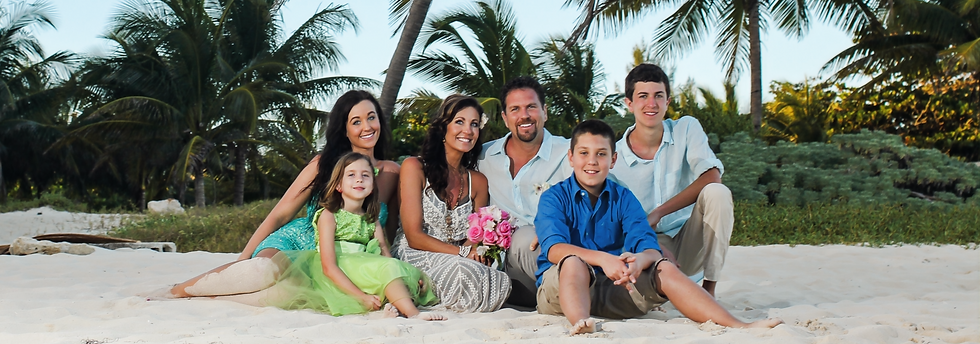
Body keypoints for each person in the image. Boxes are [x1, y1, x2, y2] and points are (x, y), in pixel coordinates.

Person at [534, 119, 782, 334]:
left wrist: (639, 261)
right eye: (584, 153)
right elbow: (554, 249)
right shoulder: (554, 197)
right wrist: (603, 260)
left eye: (601, 154)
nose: (592, 161)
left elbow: (649, 245)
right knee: (574, 261)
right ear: (571, 157)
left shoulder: (624, 198)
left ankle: (737, 324)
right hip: (563, 292)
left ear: (613, 159)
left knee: (662, 265)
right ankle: (581, 324)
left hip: (617, 290)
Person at [168, 90, 399, 298]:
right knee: (259, 271)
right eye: (356, 122)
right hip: (295, 242)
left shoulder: (391, 172)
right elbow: (280, 214)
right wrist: (242, 259)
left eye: (371, 117)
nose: (367, 127)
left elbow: (391, 231)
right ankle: (177, 291)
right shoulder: (324, 164)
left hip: (344, 257)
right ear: (345, 130)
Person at [251, 152, 443, 319]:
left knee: (401, 273)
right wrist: (361, 297)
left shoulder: (372, 218)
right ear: (339, 186)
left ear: (372, 186)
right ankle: (414, 314)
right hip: (339, 268)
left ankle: (394, 306)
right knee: (387, 271)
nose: (359, 179)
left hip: (364, 267)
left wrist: (406, 274)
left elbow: (385, 252)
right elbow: (328, 266)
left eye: (365, 175)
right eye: (351, 175)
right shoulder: (329, 216)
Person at [609, 63, 732, 297]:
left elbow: (713, 176)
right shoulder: (614, 160)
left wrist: (659, 213)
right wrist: (656, 246)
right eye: (643, 96)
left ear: (668, 101)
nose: (651, 104)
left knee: (718, 193)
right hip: (645, 248)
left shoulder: (686, 128)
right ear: (629, 103)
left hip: (689, 240)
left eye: (658, 96)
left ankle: (709, 290)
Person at [392, 94, 511, 312]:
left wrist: (472, 250)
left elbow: (474, 239)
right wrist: (463, 254)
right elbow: (413, 236)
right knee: (461, 269)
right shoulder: (414, 168)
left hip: (459, 259)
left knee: (499, 280)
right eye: (459, 122)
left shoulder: (478, 182)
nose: (468, 130)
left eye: (474, 124)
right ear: (443, 128)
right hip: (415, 253)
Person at [478, 76, 572, 307]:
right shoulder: (483, 156)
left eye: (531, 107)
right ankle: (576, 293)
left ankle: (575, 291)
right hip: (505, 271)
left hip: (555, 255)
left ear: (545, 112)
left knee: (527, 238)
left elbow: (604, 194)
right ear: (505, 118)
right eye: (515, 109)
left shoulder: (569, 152)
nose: (524, 115)